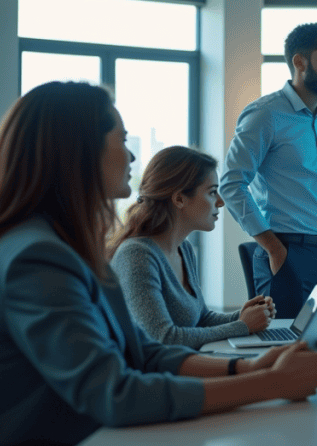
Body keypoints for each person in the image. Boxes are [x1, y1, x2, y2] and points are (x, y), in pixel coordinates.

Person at [0, 81, 317, 446]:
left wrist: (248, 367)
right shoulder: (34, 257)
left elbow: (144, 352)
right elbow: (115, 394)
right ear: (79, 151)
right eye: (122, 140)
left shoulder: (69, 247)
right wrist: (267, 384)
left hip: (80, 442)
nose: (133, 156)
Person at [221, 23, 317, 318]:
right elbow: (231, 184)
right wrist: (274, 249)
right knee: (282, 348)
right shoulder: (265, 114)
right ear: (300, 62)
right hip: (286, 253)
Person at [110, 146, 276, 349]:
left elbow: (201, 318)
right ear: (179, 199)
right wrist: (242, 325)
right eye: (212, 192)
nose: (221, 202)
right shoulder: (137, 255)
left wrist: (244, 314)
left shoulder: (184, 249)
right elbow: (162, 338)